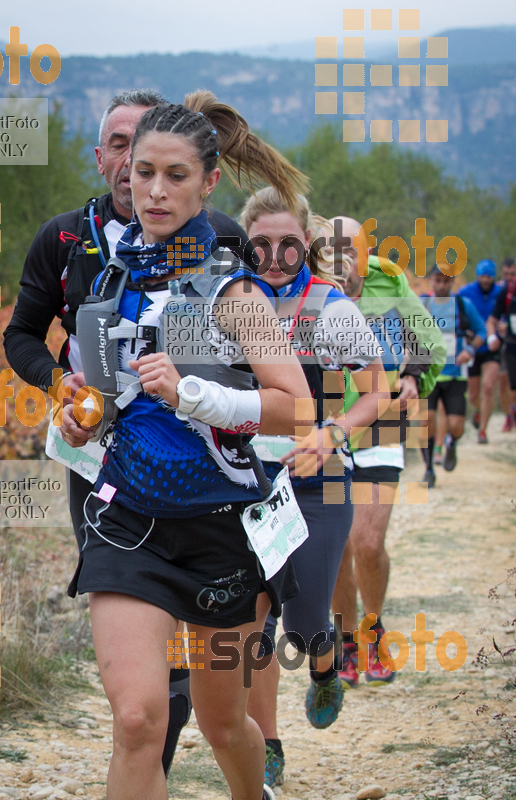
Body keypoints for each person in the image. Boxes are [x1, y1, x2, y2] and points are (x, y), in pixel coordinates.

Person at [60, 93, 314, 800]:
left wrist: (195, 395)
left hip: (221, 534)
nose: (155, 190)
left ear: (208, 183)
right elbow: (111, 400)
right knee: (139, 721)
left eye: (176, 175)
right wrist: (84, 416)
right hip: (126, 522)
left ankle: (252, 792)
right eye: (143, 172)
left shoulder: (230, 292)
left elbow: (296, 410)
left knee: (223, 724)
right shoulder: (112, 277)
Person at [3, 89, 258, 774]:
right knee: (141, 703)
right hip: (97, 464)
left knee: (215, 710)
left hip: (210, 483)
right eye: (120, 149)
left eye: (154, 160)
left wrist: (205, 397)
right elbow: (22, 334)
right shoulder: (63, 239)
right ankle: (149, 746)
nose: (136, 172)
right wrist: (62, 387)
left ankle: (206, 754)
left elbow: (261, 367)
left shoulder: (220, 242)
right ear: (102, 157)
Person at [238, 191, 386, 787]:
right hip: (244, 479)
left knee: (303, 623)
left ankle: (324, 665)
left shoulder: (331, 309)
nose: (274, 257)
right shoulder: (230, 306)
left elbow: (376, 392)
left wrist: (333, 432)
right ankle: (267, 744)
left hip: (318, 478)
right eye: (261, 245)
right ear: (246, 245)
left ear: (306, 244)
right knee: (255, 625)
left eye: (288, 244)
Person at [327, 216, 446, 688]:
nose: (342, 266)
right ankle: (348, 642)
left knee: (368, 544)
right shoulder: (308, 284)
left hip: (382, 419)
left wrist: (414, 375)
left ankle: (373, 633)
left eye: (349, 255)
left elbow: (427, 338)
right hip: (326, 422)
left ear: (364, 252)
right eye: (331, 255)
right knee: (336, 549)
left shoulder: (389, 281)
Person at [420, 264, 486, 484]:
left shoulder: (463, 305)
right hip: (429, 374)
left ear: (452, 282)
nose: (441, 285)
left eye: (446, 281)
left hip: (456, 375)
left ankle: (451, 444)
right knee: (426, 421)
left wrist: (469, 350)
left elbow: (481, 332)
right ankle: (429, 468)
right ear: (431, 280)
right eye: (437, 280)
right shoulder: (422, 305)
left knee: (457, 425)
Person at [458, 259, 502, 443]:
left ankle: (482, 431)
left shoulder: (501, 293)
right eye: (482, 275)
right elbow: (456, 310)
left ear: (493, 277)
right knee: (473, 394)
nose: (486, 279)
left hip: (492, 347)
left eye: (489, 276)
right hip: (473, 346)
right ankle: (478, 410)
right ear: (477, 276)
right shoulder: (465, 292)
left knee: (488, 387)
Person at [487, 271, 516, 415]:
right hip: (512, 346)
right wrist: (492, 337)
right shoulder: (508, 292)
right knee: (511, 388)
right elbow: (492, 320)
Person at [497, 258, 516, 431]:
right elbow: (491, 317)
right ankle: (509, 414)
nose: (510, 277)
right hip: (504, 344)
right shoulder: (502, 291)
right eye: (506, 274)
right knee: (505, 383)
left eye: (513, 274)